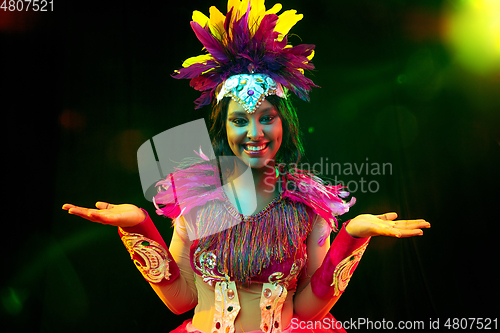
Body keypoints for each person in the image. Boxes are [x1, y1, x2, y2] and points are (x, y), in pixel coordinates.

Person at [62, 1, 430, 332]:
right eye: (240, 120)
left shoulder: (309, 206)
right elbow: (180, 300)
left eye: (266, 118)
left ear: (284, 123)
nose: (255, 132)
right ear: (223, 128)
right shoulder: (194, 202)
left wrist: (354, 235)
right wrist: (138, 226)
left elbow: (309, 310)